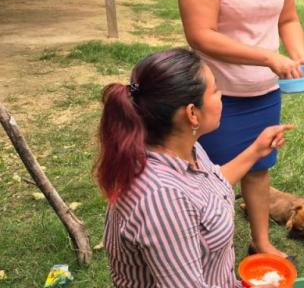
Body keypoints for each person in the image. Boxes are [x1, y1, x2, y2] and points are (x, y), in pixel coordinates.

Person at [176, 0, 304, 257]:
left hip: (264, 93)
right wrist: (269, 58)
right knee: (209, 175)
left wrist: (298, 55)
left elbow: (289, 17)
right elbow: (200, 35)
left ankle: (261, 241)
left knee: (258, 168)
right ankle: (204, 247)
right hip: (216, 95)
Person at [97, 48, 293, 287]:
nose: (221, 96)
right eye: (216, 90)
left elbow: (207, 187)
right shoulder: (163, 200)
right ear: (192, 113)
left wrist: (256, 151)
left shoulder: (181, 148)